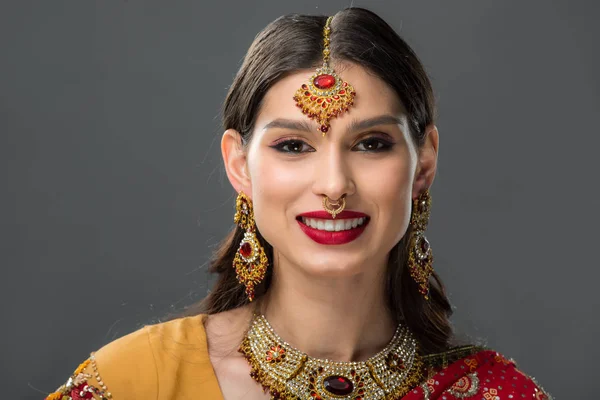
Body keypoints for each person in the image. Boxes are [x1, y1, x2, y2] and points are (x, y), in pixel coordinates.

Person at [45, 7, 552, 400]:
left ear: (424, 161)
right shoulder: (138, 383)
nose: (334, 186)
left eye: (371, 143)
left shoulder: (490, 389)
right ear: (239, 165)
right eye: (293, 146)